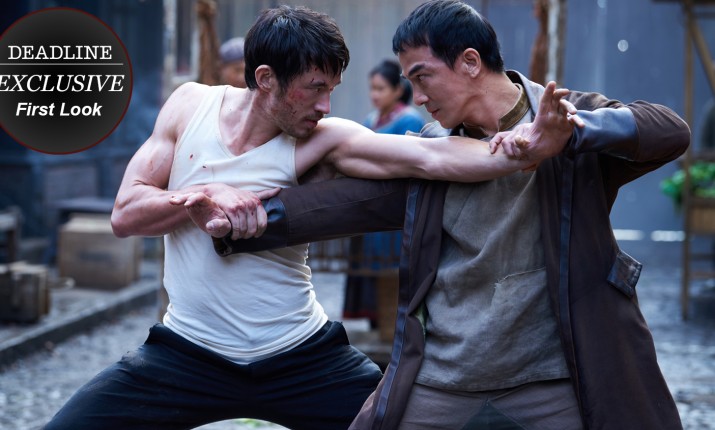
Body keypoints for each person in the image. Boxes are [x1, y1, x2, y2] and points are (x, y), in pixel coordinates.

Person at [43, 5, 578, 430]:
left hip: (301, 357)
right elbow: (126, 213)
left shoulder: (325, 139)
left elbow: (431, 157)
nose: (325, 106)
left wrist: (527, 148)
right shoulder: (190, 106)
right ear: (266, 79)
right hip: (186, 353)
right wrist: (201, 195)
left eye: (332, 90)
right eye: (315, 88)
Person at [212, 1, 691, 429]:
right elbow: (354, 203)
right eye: (410, 83)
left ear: (470, 62)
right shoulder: (433, 152)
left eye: (422, 77)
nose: (418, 97)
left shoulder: (565, 122)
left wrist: (571, 133)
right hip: (444, 376)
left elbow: (670, 131)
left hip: (553, 377)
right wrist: (245, 219)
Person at [343, 59, 426, 327]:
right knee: (373, 269)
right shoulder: (371, 120)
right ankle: (380, 326)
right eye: (372, 88)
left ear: (398, 90)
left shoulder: (410, 120)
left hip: (395, 211)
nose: (374, 94)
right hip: (371, 210)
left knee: (393, 270)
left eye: (381, 89)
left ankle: (395, 330)